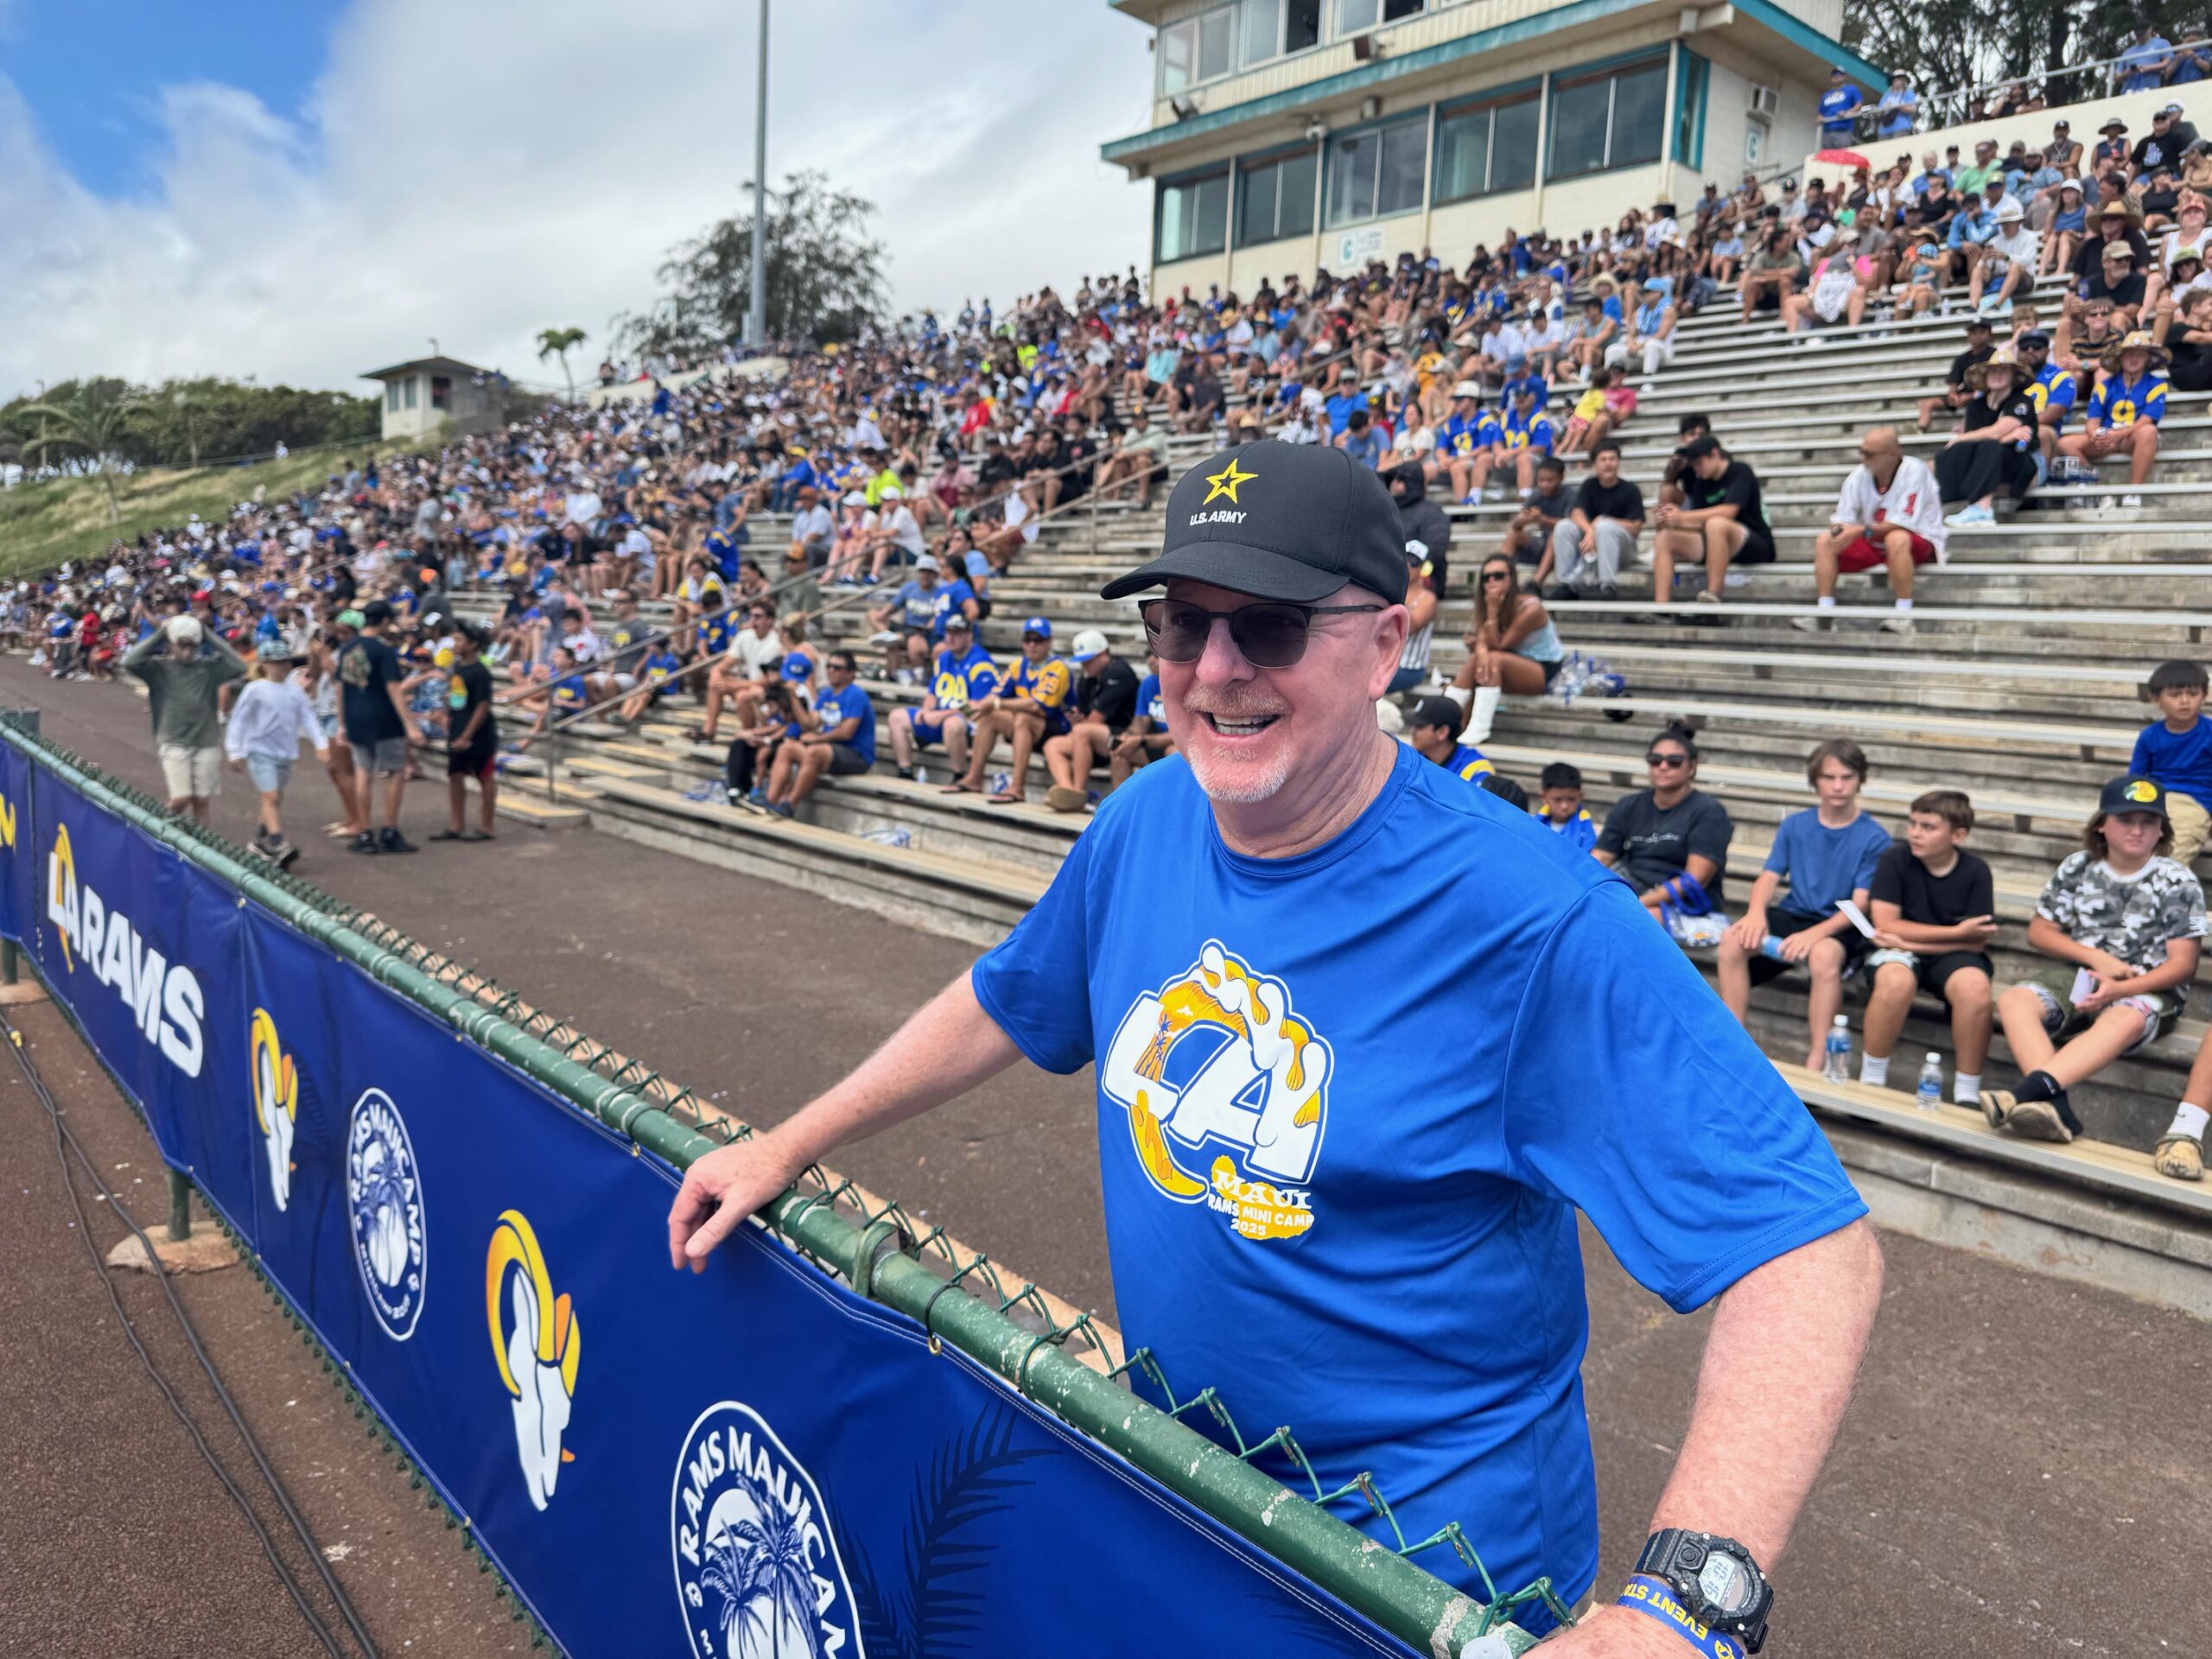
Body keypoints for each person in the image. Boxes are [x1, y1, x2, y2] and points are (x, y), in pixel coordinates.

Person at [666, 442, 1883, 1652]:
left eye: (1271, 626)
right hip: (1193, 1487)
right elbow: (1007, 997)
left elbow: (1807, 1251)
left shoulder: (1535, 919)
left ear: (1387, 645)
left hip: (1424, 1573)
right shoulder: (1149, 815)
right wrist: (793, 1141)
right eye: (1180, 624)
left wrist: (1682, 1609)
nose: (1214, 669)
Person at [1983, 777, 2206, 1144]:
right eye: (2125, 819)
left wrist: (2119, 989)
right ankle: (2055, 1107)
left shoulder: (2178, 881)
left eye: (2149, 822)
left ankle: (2024, 1094)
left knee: (2123, 1015)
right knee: (2014, 1000)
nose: (2137, 830)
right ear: (2102, 824)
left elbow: (2182, 966)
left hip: (2148, 987)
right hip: (2083, 975)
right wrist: (2094, 958)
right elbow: (2040, 931)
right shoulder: (2078, 866)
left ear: (2162, 830)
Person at [1717, 740, 1892, 1071]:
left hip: (1841, 924)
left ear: (1860, 780)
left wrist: (1813, 936)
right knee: (1732, 939)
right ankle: (1732, 1043)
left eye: (1847, 777)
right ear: (1816, 780)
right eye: (1829, 777)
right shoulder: (1795, 825)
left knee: (1823, 955)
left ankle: (1818, 1058)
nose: (1838, 786)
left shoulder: (1875, 837)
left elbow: (1860, 904)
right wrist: (1755, 913)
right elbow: (1769, 876)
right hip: (1794, 913)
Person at [1859, 790, 1996, 1104]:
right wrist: (1955, 933)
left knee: (1974, 987)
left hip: (1946, 953)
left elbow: (1975, 940)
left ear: (1958, 835)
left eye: (1928, 827)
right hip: (1901, 950)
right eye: (1913, 824)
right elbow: (1886, 923)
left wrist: (1909, 941)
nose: (1915, 833)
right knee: (1896, 979)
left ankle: (1967, 1091)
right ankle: (1872, 1079)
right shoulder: (1895, 859)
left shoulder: (1976, 871)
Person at [1800, 426, 1946, 632]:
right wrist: (1839, 531)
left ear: (1892, 454)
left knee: (1896, 537)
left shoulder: (1915, 470)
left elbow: (1902, 524)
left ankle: (1904, 615)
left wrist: (1860, 530)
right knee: (1825, 539)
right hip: (1875, 541)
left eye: (1869, 454)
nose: (1862, 458)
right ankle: (1824, 613)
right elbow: (1842, 520)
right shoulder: (1859, 475)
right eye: (1861, 451)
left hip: (1919, 539)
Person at [1596, 723, 1734, 924]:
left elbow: (1694, 880)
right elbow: (1601, 857)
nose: (1663, 766)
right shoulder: (1628, 805)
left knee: (1638, 920)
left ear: (1692, 767)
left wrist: (1637, 904)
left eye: (1674, 762)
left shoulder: (1709, 812)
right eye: (1655, 760)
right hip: (1633, 894)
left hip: (1688, 907)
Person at [121, 613, 247, 826]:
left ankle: (201, 843)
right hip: (174, 741)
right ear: (171, 644)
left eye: (193, 646)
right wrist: (162, 632)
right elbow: (129, 661)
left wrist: (206, 633)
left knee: (202, 801)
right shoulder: (158, 668)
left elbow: (240, 666)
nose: (188, 651)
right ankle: (157, 830)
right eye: (182, 646)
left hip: (206, 741)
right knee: (181, 798)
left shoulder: (209, 668)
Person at [947, 615, 1074, 805]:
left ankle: (1017, 787)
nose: (1032, 645)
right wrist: (979, 706)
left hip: (1057, 727)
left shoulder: (1058, 667)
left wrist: (997, 704)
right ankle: (974, 777)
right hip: (1028, 727)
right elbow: (996, 694)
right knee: (989, 716)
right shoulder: (1019, 664)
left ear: (1048, 642)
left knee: (1023, 717)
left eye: (1038, 640)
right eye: (1027, 640)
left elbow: (1037, 706)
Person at [222, 645, 325, 865]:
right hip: (260, 751)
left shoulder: (295, 691)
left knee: (274, 798)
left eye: (286, 662)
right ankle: (278, 842)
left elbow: (308, 717)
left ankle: (260, 840)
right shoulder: (255, 689)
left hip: (285, 753)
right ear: (265, 664)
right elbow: (239, 720)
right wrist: (234, 751)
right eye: (277, 662)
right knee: (271, 797)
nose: (283, 667)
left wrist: (321, 744)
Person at [1649, 435, 1775, 614]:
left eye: (1699, 463)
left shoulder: (1740, 471)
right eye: (1694, 465)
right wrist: (1668, 520)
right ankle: (1661, 608)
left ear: (1714, 454)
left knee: (1716, 523)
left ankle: (1713, 596)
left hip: (1753, 543)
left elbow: (1729, 511)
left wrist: (1682, 517)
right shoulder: (1702, 483)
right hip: (1717, 542)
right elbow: (1698, 525)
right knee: (1665, 538)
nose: (1696, 469)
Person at [337, 598, 423, 855]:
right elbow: (394, 688)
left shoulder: (348, 648)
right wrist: (410, 725)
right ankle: (389, 830)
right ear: (385, 621)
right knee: (395, 771)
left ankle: (365, 832)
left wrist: (342, 722)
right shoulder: (383, 651)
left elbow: (340, 686)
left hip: (355, 716)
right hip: (384, 718)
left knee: (363, 772)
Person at [2057, 329, 2168, 508]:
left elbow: (2147, 420)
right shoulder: (2105, 385)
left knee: (2148, 432)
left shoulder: (2157, 385)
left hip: (2133, 437)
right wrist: (2096, 435)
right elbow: (2092, 420)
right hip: (2109, 437)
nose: (2133, 359)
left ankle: (2134, 492)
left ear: (2147, 358)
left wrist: (2119, 434)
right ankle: (2097, 487)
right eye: (2129, 354)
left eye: (2139, 354)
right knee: (2065, 443)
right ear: (2120, 358)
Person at [1936, 346, 2040, 530]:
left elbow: (1993, 433)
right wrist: (2007, 437)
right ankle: (1943, 503)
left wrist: (1962, 438)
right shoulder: (1976, 405)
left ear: (2013, 376)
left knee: (1989, 446)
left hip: (2019, 463)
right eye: (1993, 371)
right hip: (1987, 460)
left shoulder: (2022, 402)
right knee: (1952, 453)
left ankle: (1982, 509)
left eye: (2003, 370)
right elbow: (1975, 443)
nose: (1997, 375)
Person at [762, 649, 874, 818]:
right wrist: (792, 697)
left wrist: (817, 739)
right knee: (786, 748)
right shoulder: (826, 693)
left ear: (850, 673)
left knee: (815, 751)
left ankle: (789, 805)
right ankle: (769, 801)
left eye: (837, 668)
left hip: (856, 755)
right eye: (829, 666)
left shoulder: (856, 695)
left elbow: (846, 732)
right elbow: (809, 724)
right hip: (829, 751)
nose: (831, 671)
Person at [889, 614, 995, 783]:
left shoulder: (981, 662)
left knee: (952, 724)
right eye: (949, 632)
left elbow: (977, 706)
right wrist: (926, 711)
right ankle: (905, 771)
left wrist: (941, 715)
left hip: (970, 724)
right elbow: (932, 693)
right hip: (940, 717)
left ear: (969, 636)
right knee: (896, 717)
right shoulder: (944, 658)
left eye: (957, 633)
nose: (951, 637)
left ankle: (959, 775)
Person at [1044, 629, 1141, 812]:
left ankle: (1079, 792)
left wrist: (1080, 725)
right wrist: (1077, 720)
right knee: (1052, 745)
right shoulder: (1086, 679)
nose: (1084, 665)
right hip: (1097, 739)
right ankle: (1068, 791)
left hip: (1124, 736)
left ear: (1103, 654)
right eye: (1082, 661)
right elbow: (1085, 721)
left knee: (1081, 732)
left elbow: (1095, 721)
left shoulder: (1119, 672)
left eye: (1088, 660)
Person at [2133, 658, 2212, 867]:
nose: (2185, 701)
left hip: (2195, 802)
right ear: (2156, 699)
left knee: (2171, 855)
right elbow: (2135, 779)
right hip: (2154, 800)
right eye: (2175, 695)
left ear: (2204, 696)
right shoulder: (2149, 736)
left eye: (2192, 694)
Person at [1548, 441, 1643, 601]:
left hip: (1623, 549)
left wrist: (1604, 522)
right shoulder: (1589, 485)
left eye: (1612, 459)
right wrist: (1591, 531)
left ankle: (1607, 586)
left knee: (1605, 526)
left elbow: (1636, 527)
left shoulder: (1631, 490)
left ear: (1618, 462)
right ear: (1595, 464)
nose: (1608, 464)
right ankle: (1567, 584)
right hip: (1592, 545)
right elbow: (1576, 513)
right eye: (1603, 459)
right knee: (1564, 526)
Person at [435, 620, 499, 842]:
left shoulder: (480, 672)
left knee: (485, 776)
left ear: (473, 644)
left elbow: (482, 706)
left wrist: (467, 736)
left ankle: (487, 826)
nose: (455, 644)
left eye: (460, 640)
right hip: (457, 726)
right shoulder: (458, 667)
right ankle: (456, 825)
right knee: (455, 775)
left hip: (478, 733)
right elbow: (457, 697)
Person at [1403, 694, 1495, 783]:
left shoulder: (1476, 770)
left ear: (1442, 732)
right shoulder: (1412, 761)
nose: (1412, 731)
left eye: (1420, 726)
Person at [1535, 761, 1599, 852]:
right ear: (1543, 797)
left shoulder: (1585, 829)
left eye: (1571, 799)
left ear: (1580, 797)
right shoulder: (1534, 824)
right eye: (1558, 800)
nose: (1564, 806)